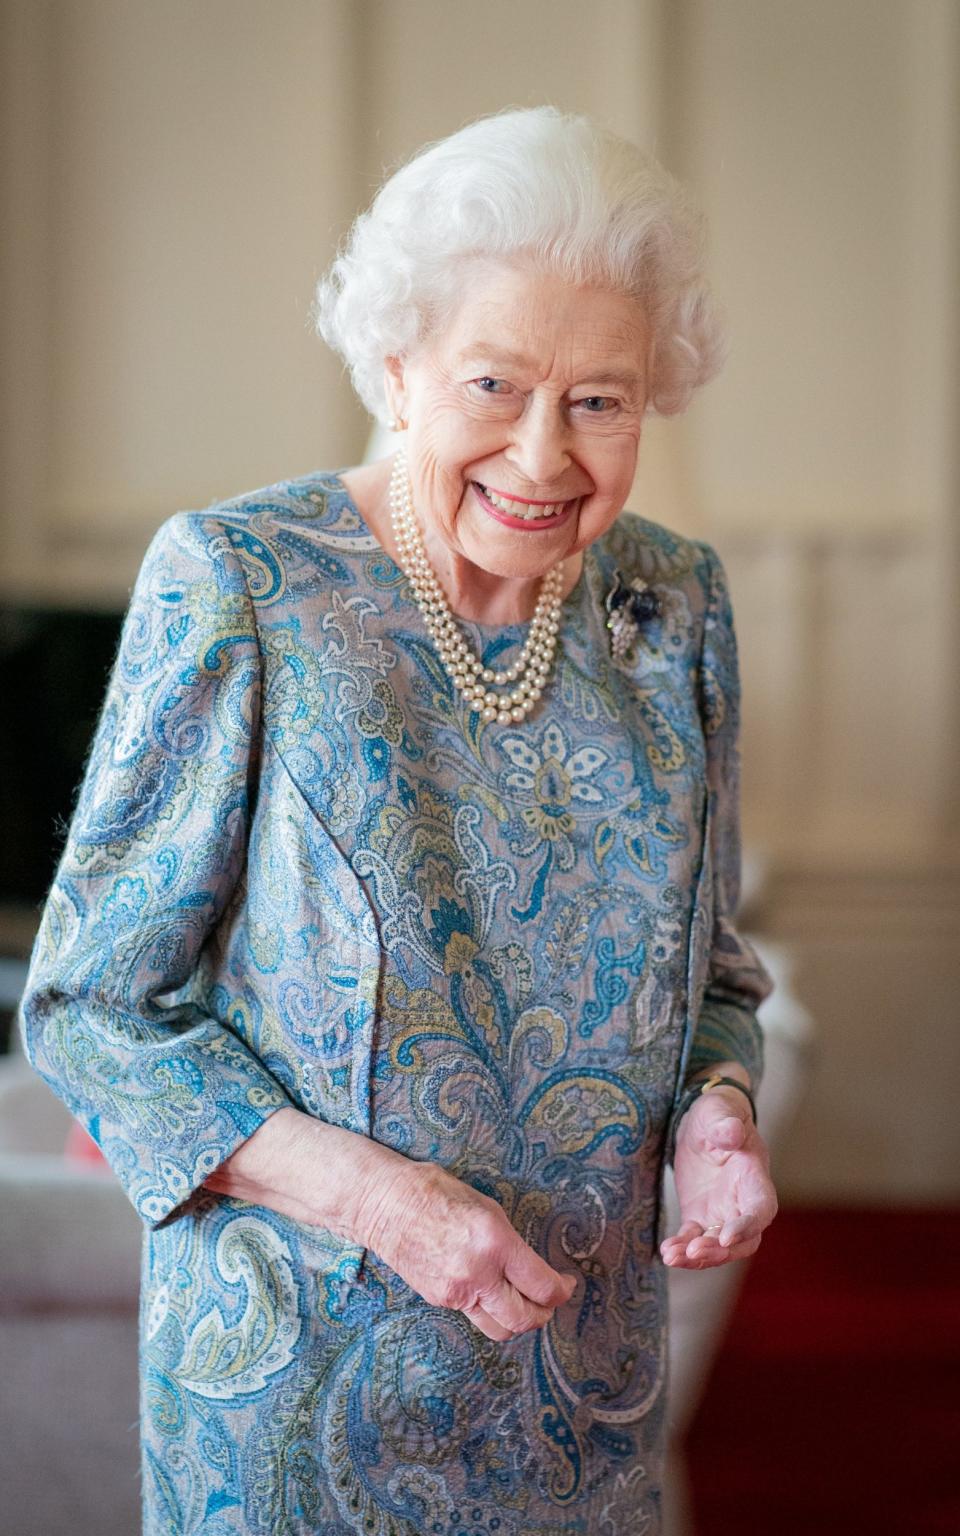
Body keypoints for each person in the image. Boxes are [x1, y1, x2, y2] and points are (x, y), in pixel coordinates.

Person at [20, 106, 777, 1534]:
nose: (546, 457)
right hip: (298, 1403)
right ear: (394, 365)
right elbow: (86, 1011)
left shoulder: (671, 606)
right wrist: (386, 1206)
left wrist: (719, 1117)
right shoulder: (242, 582)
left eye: (601, 399)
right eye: (494, 382)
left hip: (578, 1398)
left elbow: (717, 979)